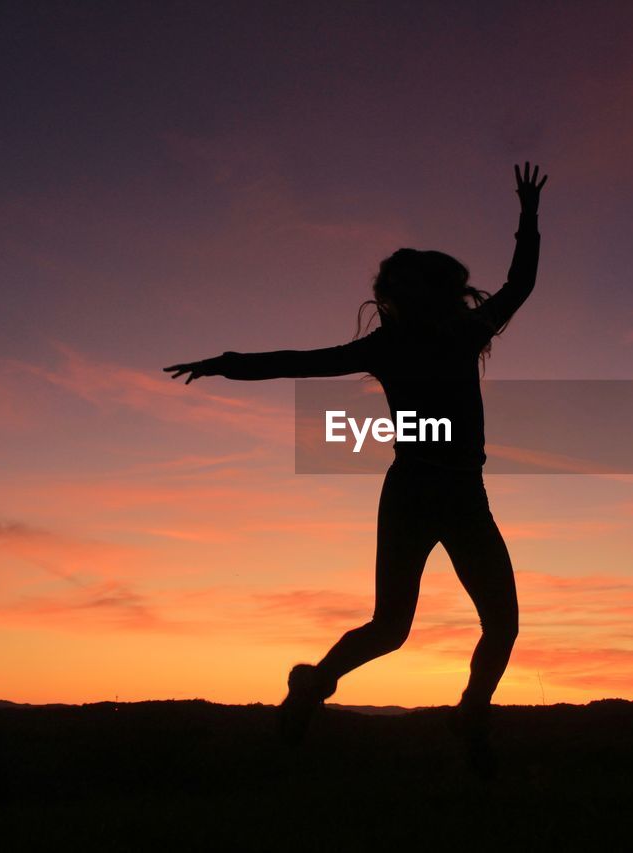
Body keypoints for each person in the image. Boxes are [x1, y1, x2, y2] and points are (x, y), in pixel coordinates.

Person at [165, 163, 547, 774]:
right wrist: (228, 362)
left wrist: (528, 218)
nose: (406, 297)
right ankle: (311, 689)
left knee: (502, 624)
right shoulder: (390, 345)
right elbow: (299, 361)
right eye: (401, 288)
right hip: (414, 490)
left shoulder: (465, 331)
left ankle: (471, 714)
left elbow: (519, 284)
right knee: (392, 628)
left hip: (463, 492)